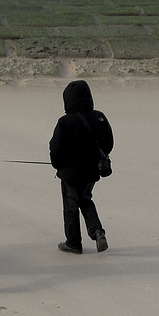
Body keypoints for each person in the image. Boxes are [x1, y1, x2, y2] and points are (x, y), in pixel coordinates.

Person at [49, 80, 114, 254]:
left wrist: (59, 165)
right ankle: (97, 232)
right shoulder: (99, 116)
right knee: (85, 199)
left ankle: (73, 243)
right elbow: (108, 143)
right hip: (93, 170)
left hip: (71, 173)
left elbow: (56, 150)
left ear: (68, 99)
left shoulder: (65, 122)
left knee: (71, 205)